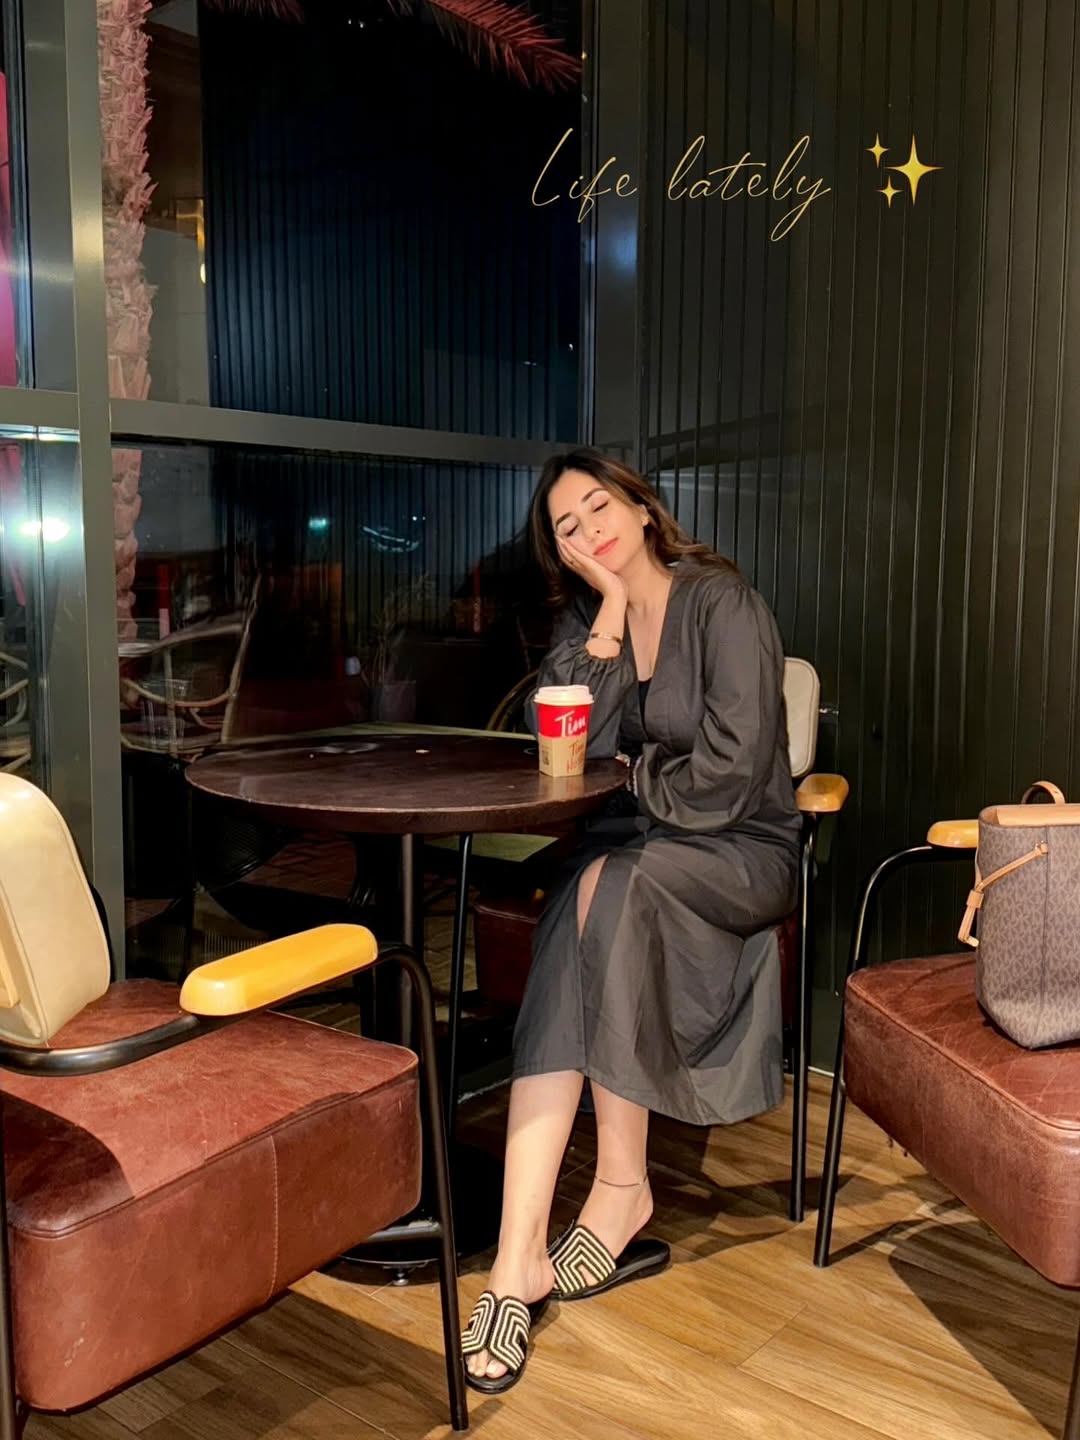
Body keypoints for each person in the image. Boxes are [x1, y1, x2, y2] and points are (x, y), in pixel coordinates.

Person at [461, 449, 801, 1394]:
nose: (588, 531)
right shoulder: (590, 623)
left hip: (743, 849)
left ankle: (619, 1188)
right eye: (566, 528)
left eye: (599, 507)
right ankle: (518, 1259)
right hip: (639, 851)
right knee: (583, 907)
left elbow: (736, 771)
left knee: (607, 887)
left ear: (643, 509)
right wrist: (610, 608)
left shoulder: (724, 604)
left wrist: (637, 778)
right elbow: (566, 749)